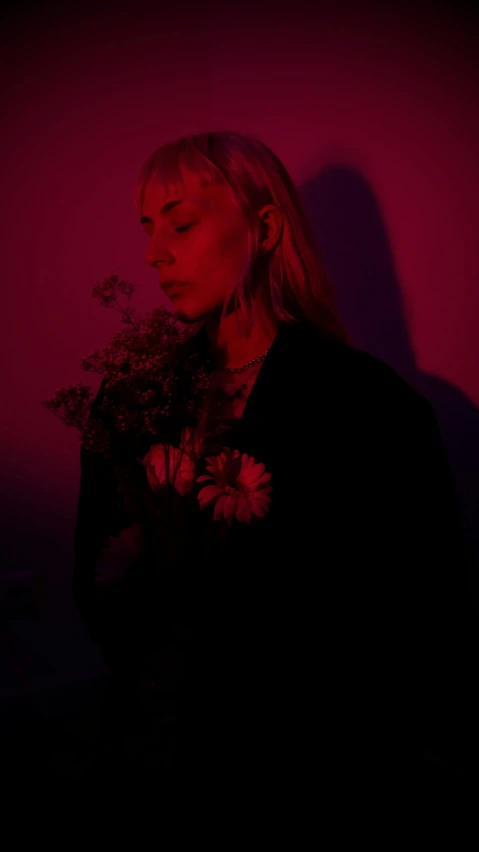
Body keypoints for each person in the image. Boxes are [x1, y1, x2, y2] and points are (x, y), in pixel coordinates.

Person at [73, 131, 477, 818]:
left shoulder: (367, 404)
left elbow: (424, 603)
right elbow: (97, 575)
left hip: (314, 767)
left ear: (263, 228)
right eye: (146, 227)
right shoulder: (133, 401)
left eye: (181, 221)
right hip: (158, 759)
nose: (154, 253)